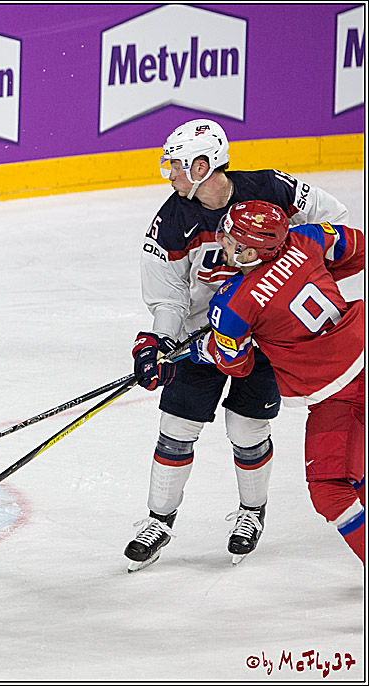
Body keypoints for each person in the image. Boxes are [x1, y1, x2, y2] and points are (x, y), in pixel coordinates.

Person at [126, 118, 351, 571]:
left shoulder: (271, 189)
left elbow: (334, 223)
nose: (169, 174)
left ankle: (251, 513)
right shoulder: (172, 220)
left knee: (248, 428)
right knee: (176, 427)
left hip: (267, 338)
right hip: (202, 333)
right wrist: (159, 341)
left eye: (176, 165)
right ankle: (158, 521)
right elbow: (169, 295)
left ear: (202, 166)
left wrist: (285, 289)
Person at [193, 200, 364, 563]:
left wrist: (205, 349)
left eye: (229, 239)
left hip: (340, 389)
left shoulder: (233, 304)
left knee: (330, 490)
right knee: (356, 465)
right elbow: (357, 249)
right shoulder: (307, 237)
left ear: (248, 252)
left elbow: (237, 364)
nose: (221, 240)